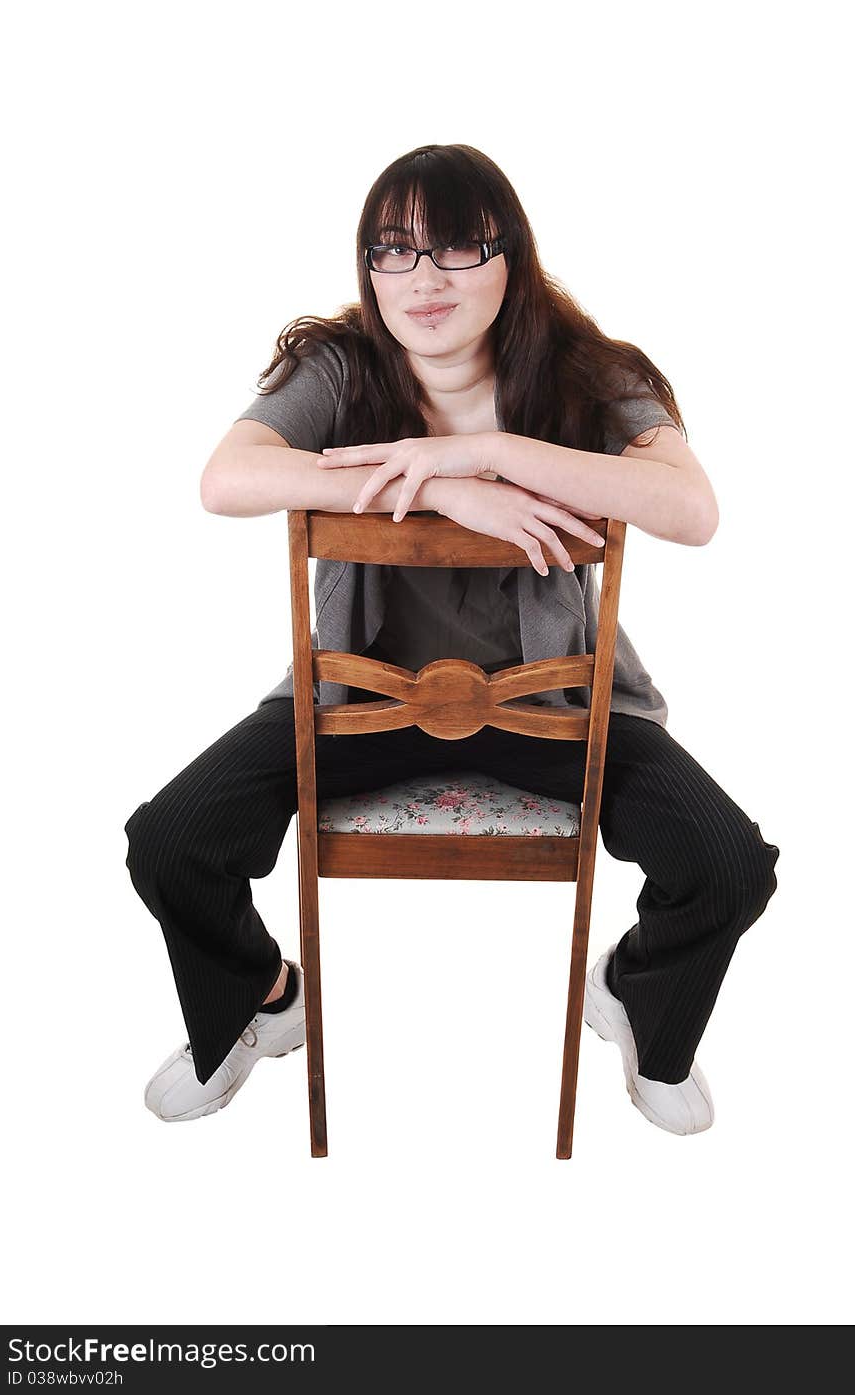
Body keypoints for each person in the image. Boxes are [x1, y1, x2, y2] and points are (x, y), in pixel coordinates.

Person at [125, 142, 779, 1135]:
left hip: (549, 700)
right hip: (363, 699)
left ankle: (638, 995)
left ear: (507, 255)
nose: (422, 279)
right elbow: (228, 478)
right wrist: (435, 482)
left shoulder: (585, 370)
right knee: (171, 842)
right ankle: (261, 998)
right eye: (392, 252)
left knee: (729, 866)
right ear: (368, 271)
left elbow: (689, 509)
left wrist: (491, 452)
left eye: (454, 250)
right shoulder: (338, 365)